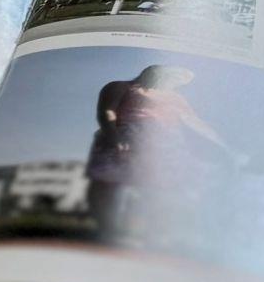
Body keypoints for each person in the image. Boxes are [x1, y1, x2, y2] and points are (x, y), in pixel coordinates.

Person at [84, 63, 234, 247]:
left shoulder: (176, 98)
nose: (177, 83)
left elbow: (195, 122)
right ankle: (108, 231)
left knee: (158, 188)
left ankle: (154, 235)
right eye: (174, 78)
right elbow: (107, 111)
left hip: (163, 143)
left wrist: (222, 144)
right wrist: (114, 136)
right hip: (124, 136)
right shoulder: (121, 86)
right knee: (107, 183)